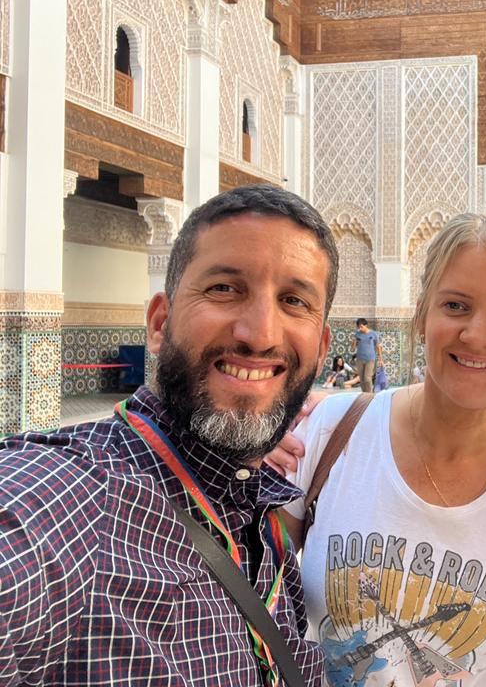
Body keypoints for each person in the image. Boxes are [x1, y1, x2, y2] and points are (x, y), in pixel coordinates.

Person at [0, 185, 337, 685]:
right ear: (159, 323)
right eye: (225, 288)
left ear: (322, 346)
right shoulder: (70, 502)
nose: (261, 333)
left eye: (293, 300)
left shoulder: (261, 515)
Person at [281, 213, 486, 687]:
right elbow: (253, 596)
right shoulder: (331, 431)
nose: (475, 334)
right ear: (421, 317)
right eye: (455, 305)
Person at [351, 317, 383, 393]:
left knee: (367, 378)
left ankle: (369, 395)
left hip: (370, 359)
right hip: (360, 359)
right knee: (362, 379)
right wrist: (354, 340)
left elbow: (378, 347)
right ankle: (364, 393)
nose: (360, 329)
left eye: (361, 326)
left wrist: (381, 360)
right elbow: (353, 348)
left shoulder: (374, 334)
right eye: (359, 327)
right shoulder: (357, 334)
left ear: (366, 325)